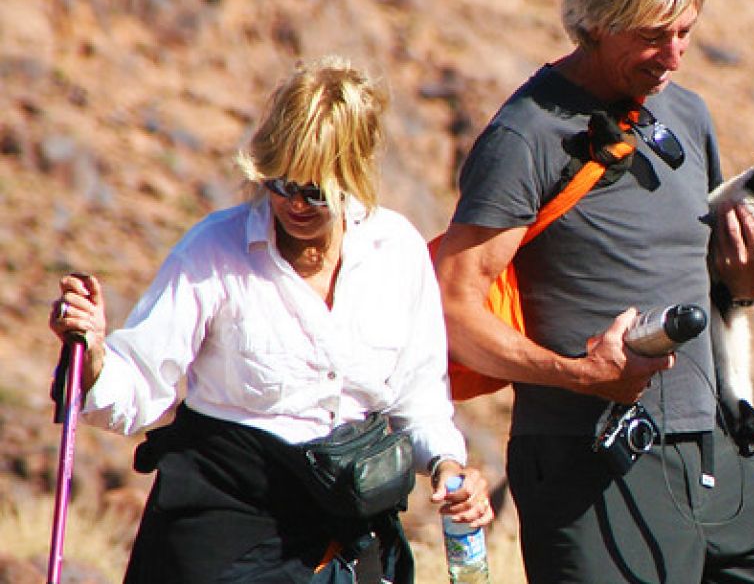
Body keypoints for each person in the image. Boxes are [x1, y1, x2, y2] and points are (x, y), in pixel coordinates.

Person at [431, 0, 754, 581]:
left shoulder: (688, 113)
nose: (673, 54)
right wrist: (579, 374)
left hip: (714, 448)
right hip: (586, 460)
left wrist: (745, 282)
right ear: (597, 22)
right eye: (653, 36)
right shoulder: (525, 133)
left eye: (686, 32)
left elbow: (709, 286)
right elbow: (453, 307)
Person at [47, 56, 495, 583]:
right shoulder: (214, 251)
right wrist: (96, 353)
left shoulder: (396, 252)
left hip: (350, 537)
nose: (293, 203)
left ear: (352, 178)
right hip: (224, 532)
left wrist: (447, 466)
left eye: (316, 191)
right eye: (280, 183)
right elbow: (140, 385)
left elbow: (419, 401)